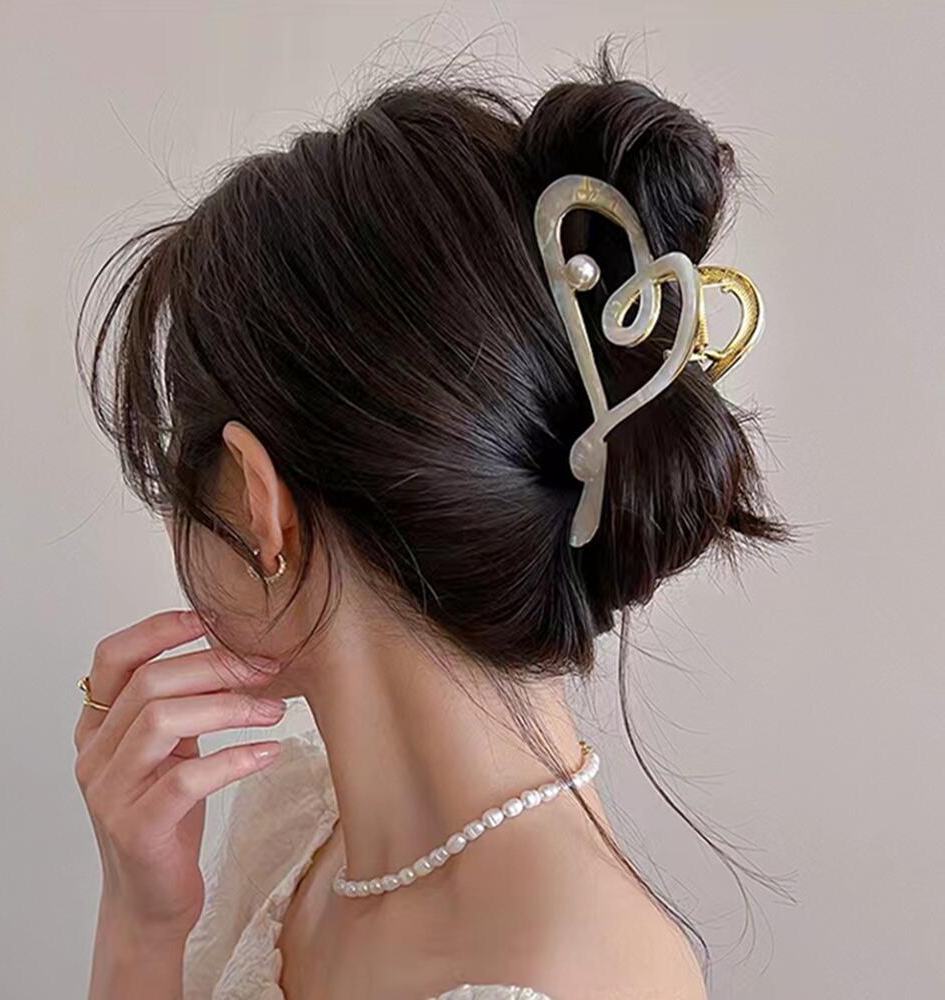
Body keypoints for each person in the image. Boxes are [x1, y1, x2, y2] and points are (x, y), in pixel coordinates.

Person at [72, 43, 791, 1000]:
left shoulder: (568, 977)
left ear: (257, 501)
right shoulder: (294, 833)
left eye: (176, 478)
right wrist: (143, 922)